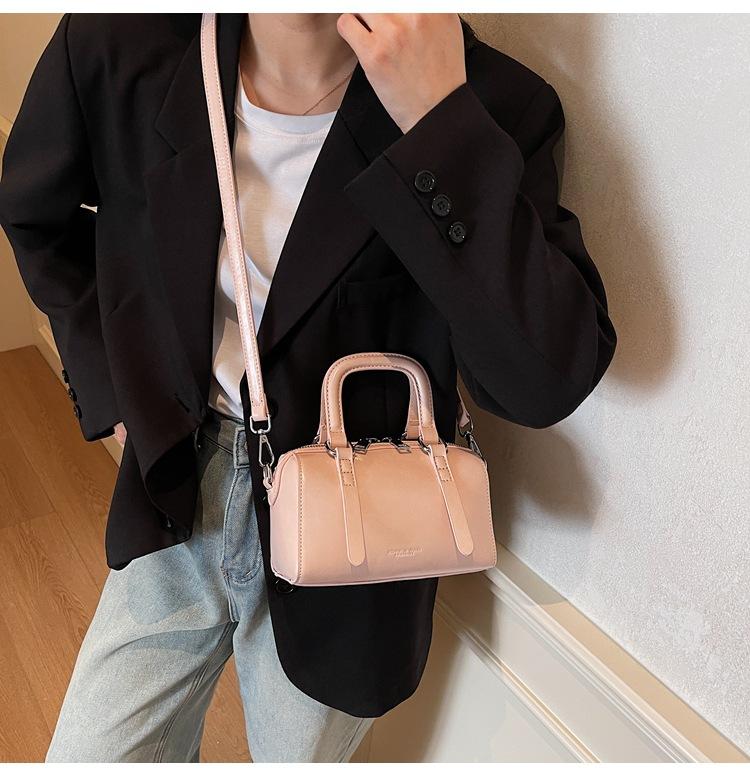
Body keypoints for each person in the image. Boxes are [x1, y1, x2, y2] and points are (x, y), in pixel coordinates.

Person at [0, 12, 617, 763]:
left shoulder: (490, 101)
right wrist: (112, 389)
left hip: (351, 536)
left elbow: (543, 380)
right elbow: (36, 215)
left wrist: (438, 124)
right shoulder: (117, 44)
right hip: (176, 488)